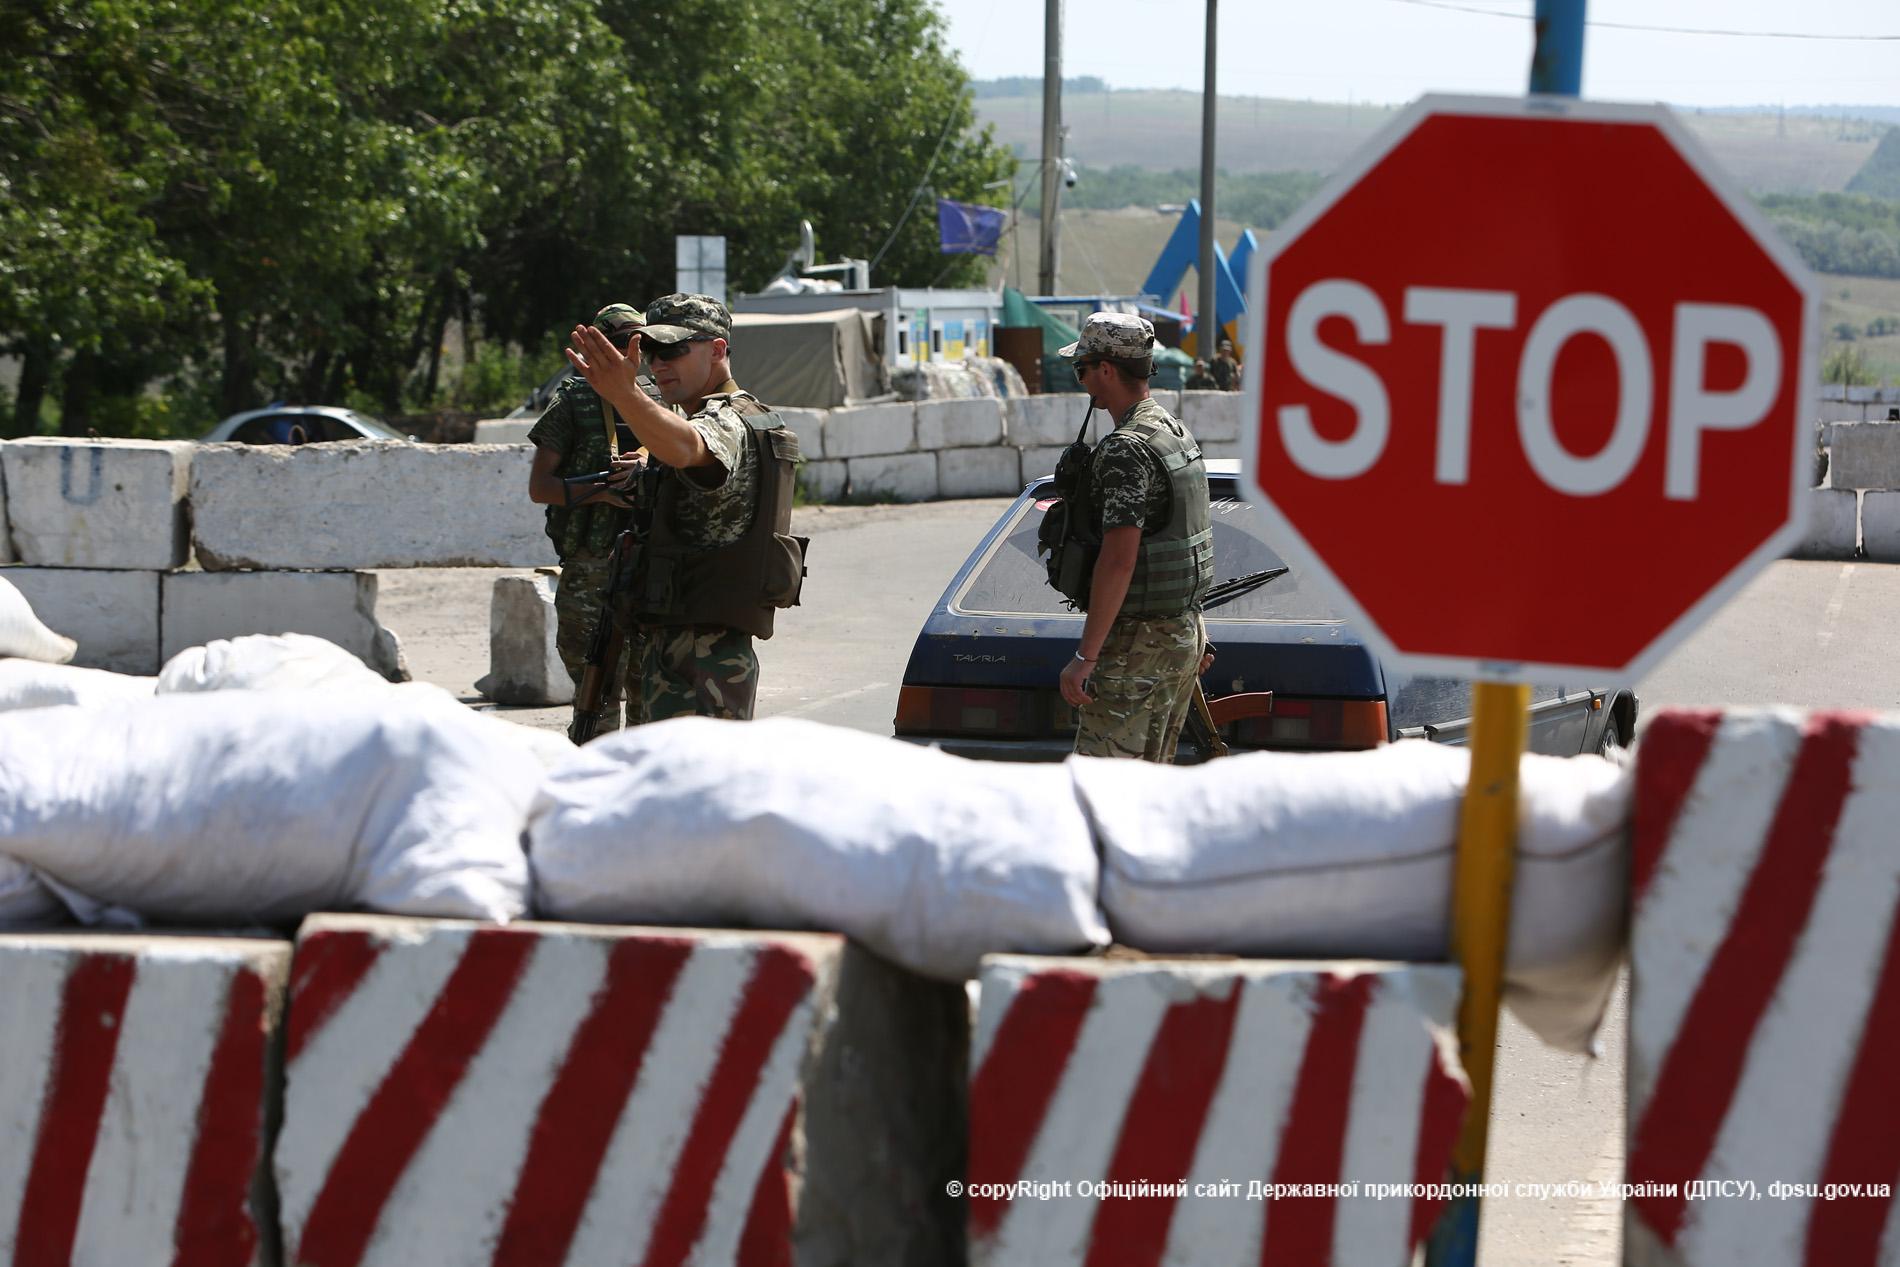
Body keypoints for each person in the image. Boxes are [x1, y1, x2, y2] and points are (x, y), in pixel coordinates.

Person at [565, 293, 803, 722]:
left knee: (691, 765)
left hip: (700, 654)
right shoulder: (702, 415)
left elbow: (689, 447)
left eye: (673, 349)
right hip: (679, 640)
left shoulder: (728, 418)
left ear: (716, 350)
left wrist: (625, 395)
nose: (657, 364)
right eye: (651, 351)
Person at [1055, 312, 1213, 762]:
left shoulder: (1126, 449)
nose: (1082, 380)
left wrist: (1085, 658)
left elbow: (1119, 560)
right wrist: (1193, 628)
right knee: (1149, 781)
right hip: (1180, 635)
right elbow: (1187, 536)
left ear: (1106, 369)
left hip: (1136, 648)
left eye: (1081, 368)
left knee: (1105, 788)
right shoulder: (1171, 431)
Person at [527, 302, 664, 734]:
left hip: (652, 564)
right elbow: (540, 487)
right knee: (596, 697)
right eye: (618, 343)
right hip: (591, 568)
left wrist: (646, 468)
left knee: (649, 699)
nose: (628, 353)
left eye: (637, 343)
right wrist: (604, 491)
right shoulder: (574, 401)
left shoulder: (663, 399)